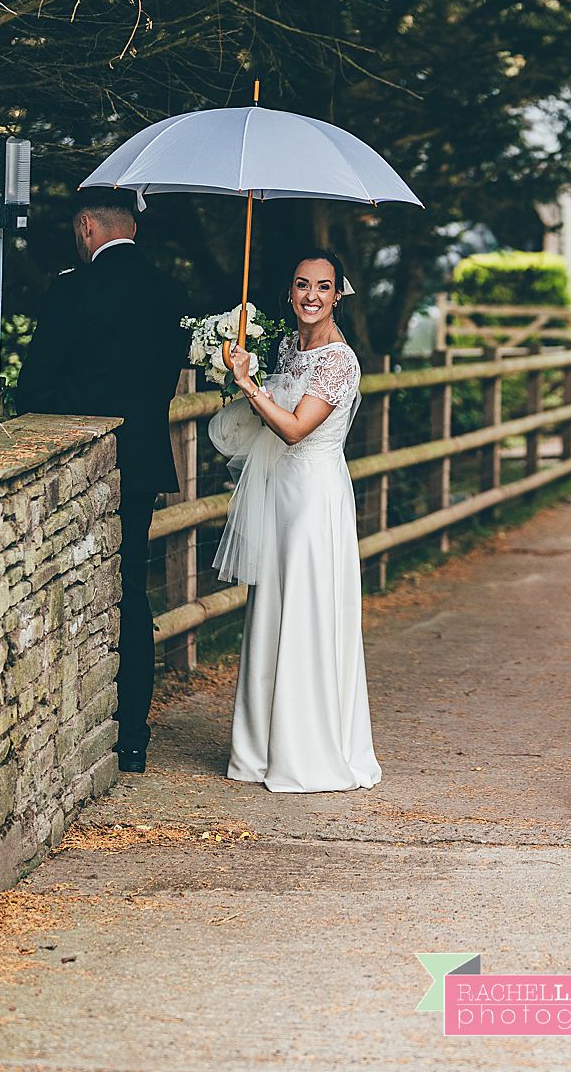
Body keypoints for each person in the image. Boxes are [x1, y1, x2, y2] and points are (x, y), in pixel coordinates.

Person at [16, 191, 181, 774]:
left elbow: (35, 390)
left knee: (71, 584)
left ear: (86, 227)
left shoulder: (72, 289)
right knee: (132, 592)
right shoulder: (169, 292)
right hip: (139, 465)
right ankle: (132, 736)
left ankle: (70, 727)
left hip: (78, 464)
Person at [208, 249, 381, 792]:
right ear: (290, 291)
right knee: (272, 610)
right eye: (302, 285)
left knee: (307, 611)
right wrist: (242, 370)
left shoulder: (339, 360)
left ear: (338, 294)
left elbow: (294, 429)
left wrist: (247, 385)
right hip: (278, 493)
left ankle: (307, 750)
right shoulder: (285, 346)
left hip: (314, 497)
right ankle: (260, 748)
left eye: (323, 287)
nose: (311, 296)